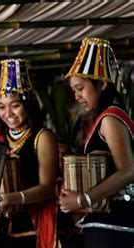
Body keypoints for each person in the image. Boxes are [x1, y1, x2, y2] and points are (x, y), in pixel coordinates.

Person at [59, 37, 134, 248]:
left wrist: (83, 200)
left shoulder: (110, 118)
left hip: (115, 226)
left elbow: (128, 171)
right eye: (74, 90)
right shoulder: (109, 116)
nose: (77, 96)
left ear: (101, 84)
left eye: (80, 88)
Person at [0, 59, 59, 248]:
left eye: (15, 105)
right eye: (2, 106)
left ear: (27, 105)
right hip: (4, 226)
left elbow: (47, 188)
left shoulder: (42, 137)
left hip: (34, 224)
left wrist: (13, 198)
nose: (8, 113)